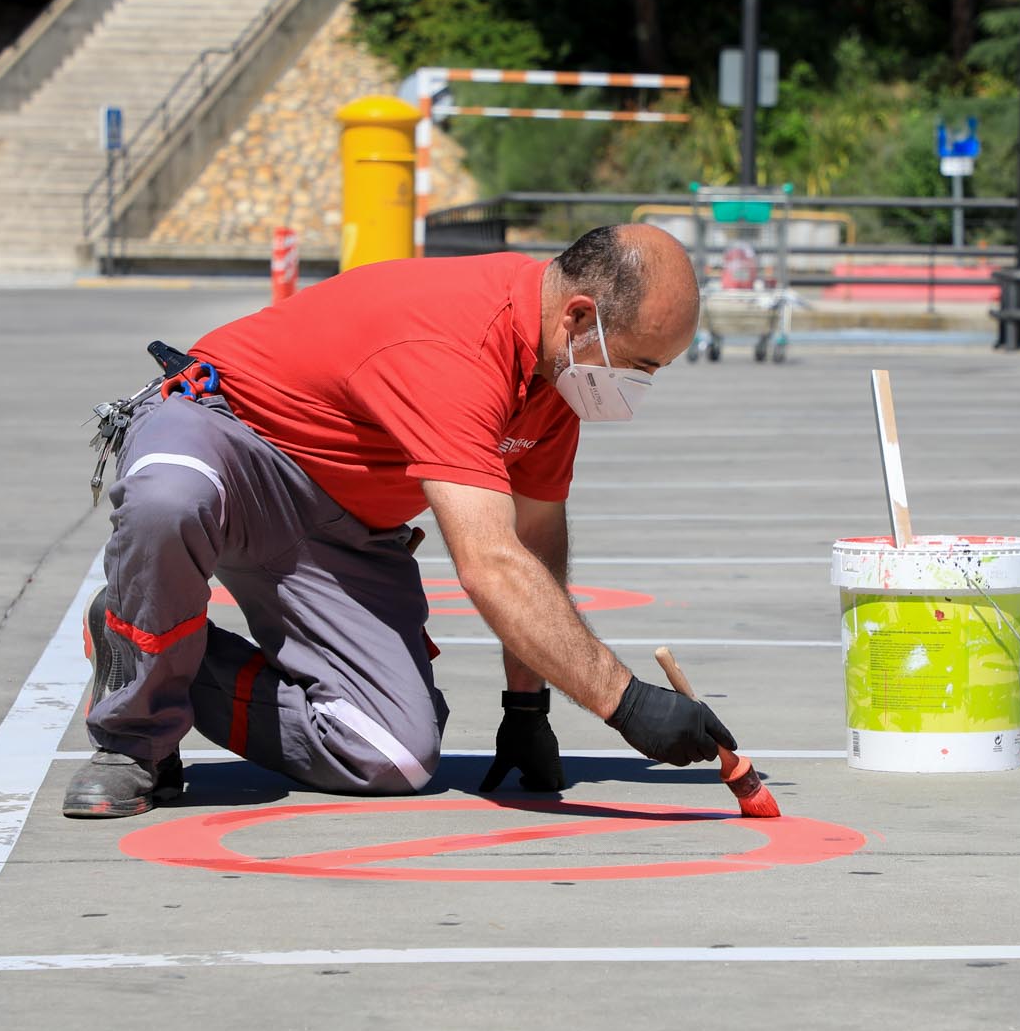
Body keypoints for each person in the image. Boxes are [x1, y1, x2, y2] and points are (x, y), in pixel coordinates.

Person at [62, 223, 736, 818]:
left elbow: (534, 541)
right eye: (641, 364)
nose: (641, 385)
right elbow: (491, 564)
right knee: (169, 499)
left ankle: (154, 639)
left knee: (394, 752)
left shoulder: (556, 377)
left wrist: (526, 707)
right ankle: (133, 740)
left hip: (340, 528)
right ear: (580, 316)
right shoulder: (462, 343)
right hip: (231, 440)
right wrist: (627, 702)